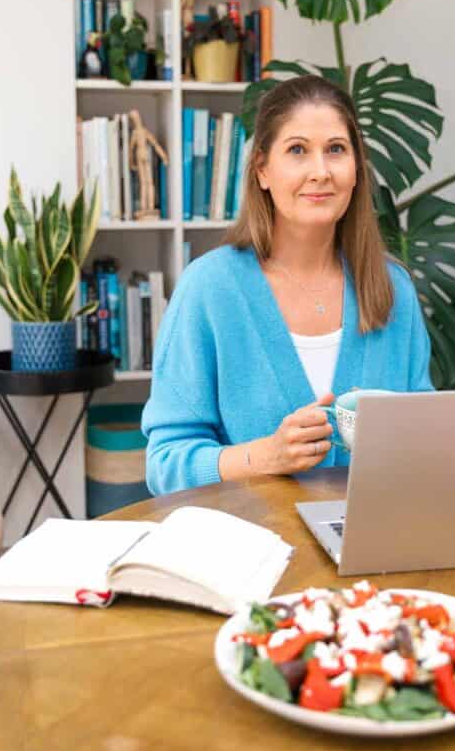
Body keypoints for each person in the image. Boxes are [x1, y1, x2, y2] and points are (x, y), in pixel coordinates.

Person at [142, 75, 434, 495]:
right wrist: (266, 456)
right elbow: (165, 464)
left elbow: (427, 440)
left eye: (336, 150)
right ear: (262, 169)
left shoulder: (393, 290)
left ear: (356, 168)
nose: (320, 172)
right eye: (297, 150)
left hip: (374, 549)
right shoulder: (208, 290)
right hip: (250, 549)